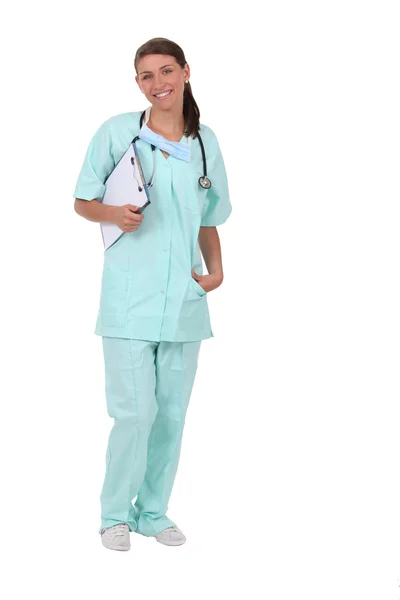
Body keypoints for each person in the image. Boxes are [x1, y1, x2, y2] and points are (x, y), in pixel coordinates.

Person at [73, 37, 232, 551]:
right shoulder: (119, 133)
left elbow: (209, 218)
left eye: (167, 71)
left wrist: (217, 272)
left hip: (184, 301)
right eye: (147, 76)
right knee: (134, 414)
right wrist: (113, 214)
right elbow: (82, 199)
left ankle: (154, 511)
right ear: (137, 83)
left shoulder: (205, 142)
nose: (158, 83)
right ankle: (114, 514)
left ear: (186, 72)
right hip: (128, 299)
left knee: (170, 415)